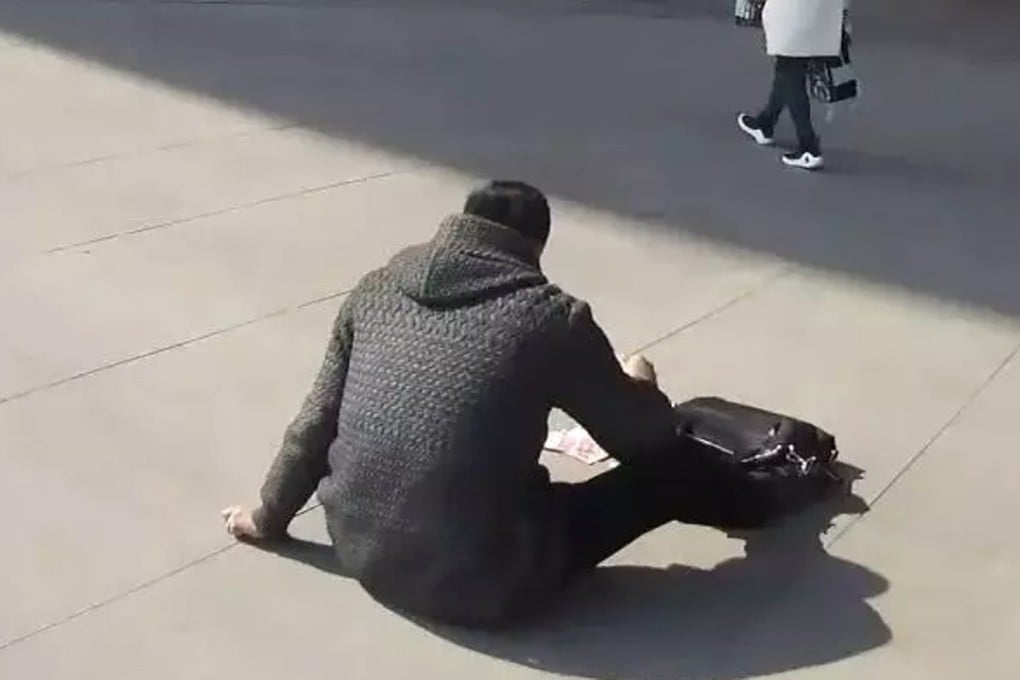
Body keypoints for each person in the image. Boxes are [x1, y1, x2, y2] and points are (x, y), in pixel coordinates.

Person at [222, 181, 778, 627]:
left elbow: (315, 424)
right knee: (674, 468)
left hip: (363, 551)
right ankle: (765, 504)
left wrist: (267, 518)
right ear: (534, 247)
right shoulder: (548, 318)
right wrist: (640, 382)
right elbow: (644, 439)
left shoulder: (375, 288)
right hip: (488, 579)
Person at [737, 0, 849, 170]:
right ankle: (766, 123)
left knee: (789, 67)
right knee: (789, 67)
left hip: (793, 10)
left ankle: (808, 147)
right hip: (826, 11)